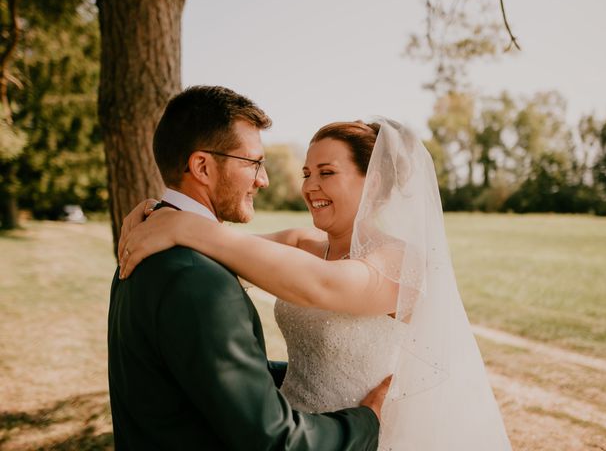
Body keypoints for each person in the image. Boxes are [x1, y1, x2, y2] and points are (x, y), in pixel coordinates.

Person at [120, 117, 513, 450]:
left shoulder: (400, 262)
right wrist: (159, 213)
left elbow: (321, 287)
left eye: (327, 173)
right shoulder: (303, 244)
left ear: (373, 183)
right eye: (307, 173)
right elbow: (212, 257)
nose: (310, 186)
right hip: (297, 432)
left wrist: (185, 225)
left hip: (357, 436)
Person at [108, 85, 388, 450]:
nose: (264, 179)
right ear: (202, 166)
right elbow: (274, 440)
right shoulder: (195, 273)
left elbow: (201, 368)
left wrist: (180, 222)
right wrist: (369, 420)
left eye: (327, 172)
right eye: (253, 163)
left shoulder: (153, 242)